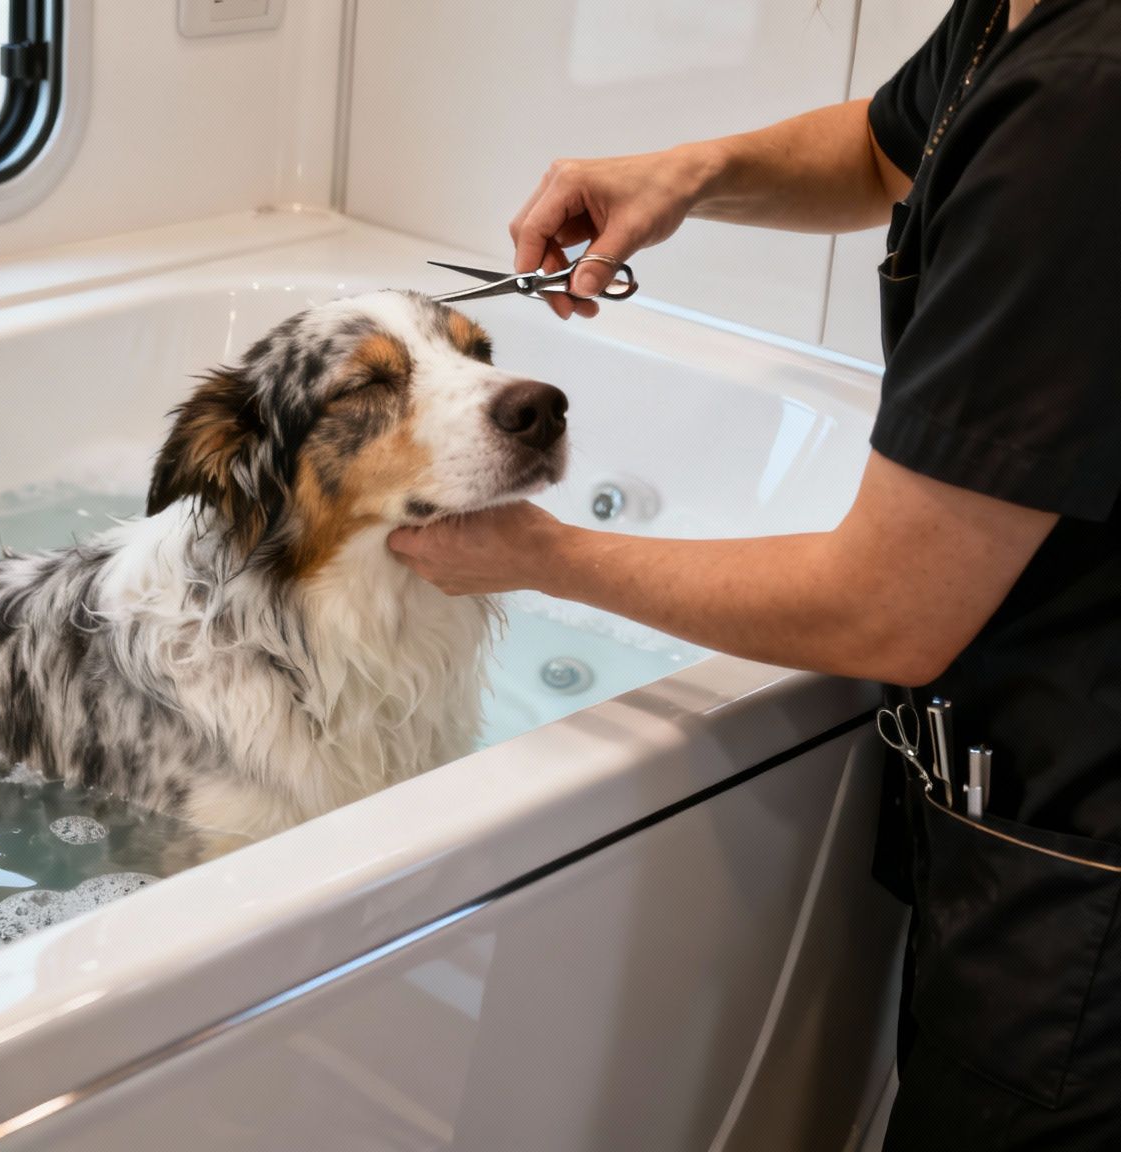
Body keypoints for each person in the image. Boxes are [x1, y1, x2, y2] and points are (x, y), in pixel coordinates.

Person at [386, 1, 1121, 1148]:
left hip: (1089, 858)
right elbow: (889, 145)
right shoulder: (1020, 17)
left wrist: (540, 557)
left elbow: (887, 608)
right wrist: (689, 171)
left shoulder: (1085, 101)